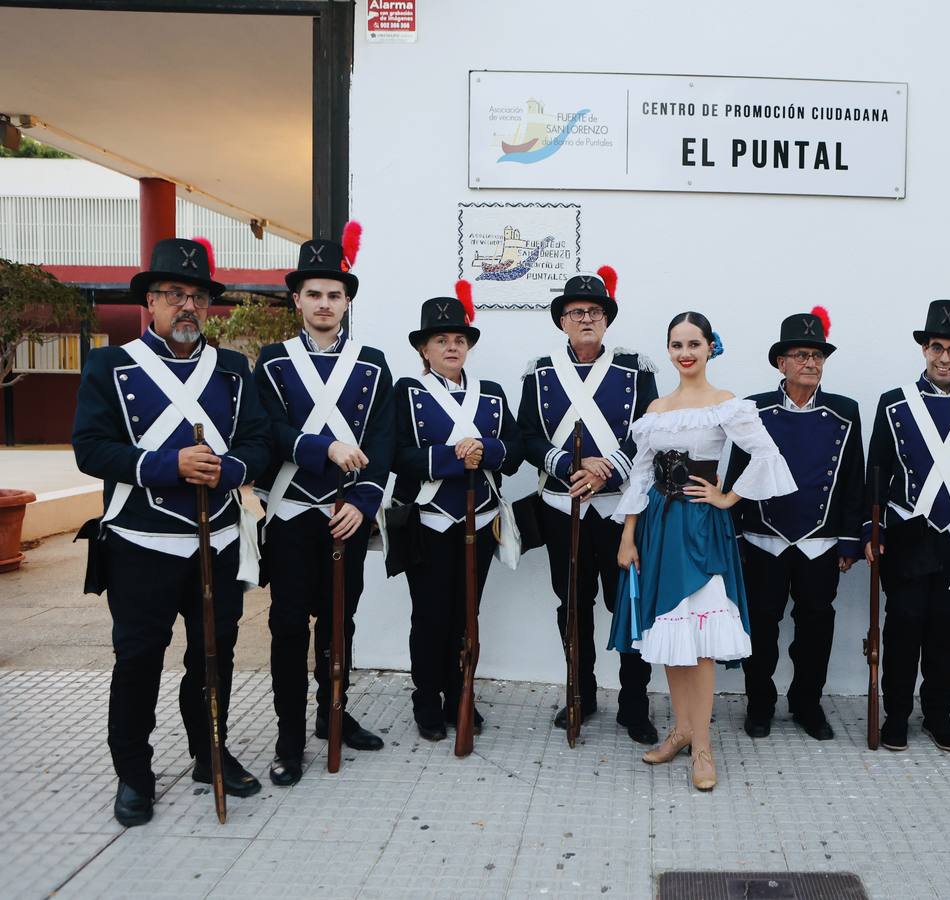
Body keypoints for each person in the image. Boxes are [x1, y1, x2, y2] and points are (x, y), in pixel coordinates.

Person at [72, 237, 271, 826]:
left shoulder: (232, 370)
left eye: (198, 296)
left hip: (218, 540)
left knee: (214, 656)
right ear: (151, 302)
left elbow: (258, 442)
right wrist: (170, 465)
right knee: (138, 660)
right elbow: (90, 449)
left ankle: (209, 753)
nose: (188, 306)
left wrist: (228, 470)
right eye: (174, 294)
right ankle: (134, 773)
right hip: (141, 543)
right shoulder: (111, 366)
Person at [609, 313, 796, 791]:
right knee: (672, 633)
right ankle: (681, 731)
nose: (685, 352)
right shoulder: (657, 407)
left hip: (700, 528)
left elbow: (768, 454)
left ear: (711, 347)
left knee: (701, 641)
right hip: (658, 529)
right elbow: (641, 475)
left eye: (694, 343)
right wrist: (629, 536)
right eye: (677, 345)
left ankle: (704, 747)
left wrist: (728, 497)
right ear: (669, 350)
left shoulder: (725, 404)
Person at [254, 224, 393, 786]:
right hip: (291, 513)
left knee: (340, 623)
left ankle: (332, 713)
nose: (324, 303)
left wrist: (364, 500)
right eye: (313, 293)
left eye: (334, 294)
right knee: (288, 625)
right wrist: (323, 448)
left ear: (347, 301)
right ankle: (289, 736)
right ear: (297, 300)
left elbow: (382, 439)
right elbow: (267, 430)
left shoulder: (372, 363)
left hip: (346, 515)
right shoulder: (272, 361)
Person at [517, 268, 660, 744]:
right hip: (564, 509)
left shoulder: (636, 370)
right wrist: (567, 465)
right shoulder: (540, 373)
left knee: (629, 605)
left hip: (622, 511)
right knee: (573, 605)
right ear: (562, 320)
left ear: (606, 319)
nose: (585, 319)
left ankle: (634, 704)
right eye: (575, 312)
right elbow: (526, 436)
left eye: (594, 311)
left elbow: (648, 433)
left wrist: (608, 469)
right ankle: (581, 693)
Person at [864, 284, 950, 754]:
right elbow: (877, 472)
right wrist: (872, 531)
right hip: (907, 530)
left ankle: (939, 715)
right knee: (903, 626)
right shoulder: (894, 403)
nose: (944, 357)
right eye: (937, 347)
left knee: (946, 630)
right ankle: (896, 716)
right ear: (924, 349)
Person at [389, 282, 523, 741]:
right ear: (424, 349)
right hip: (429, 523)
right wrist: (451, 458)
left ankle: (460, 693)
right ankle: (427, 700)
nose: (452, 347)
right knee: (430, 616)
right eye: (441, 339)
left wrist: (487, 451)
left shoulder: (492, 393)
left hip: (480, 520)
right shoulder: (407, 392)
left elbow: (516, 449)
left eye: (459, 339)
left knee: (468, 614)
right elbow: (396, 454)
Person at [727, 308, 865, 741]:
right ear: (781, 362)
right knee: (761, 627)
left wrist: (849, 540)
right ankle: (759, 704)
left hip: (819, 542)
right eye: (801, 355)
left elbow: (852, 480)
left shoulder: (845, 412)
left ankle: (807, 704)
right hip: (763, 538)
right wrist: (734, 536)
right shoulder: (754, 410)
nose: (810, 363)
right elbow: (736, 477)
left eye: (817, 356)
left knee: (816, 629)